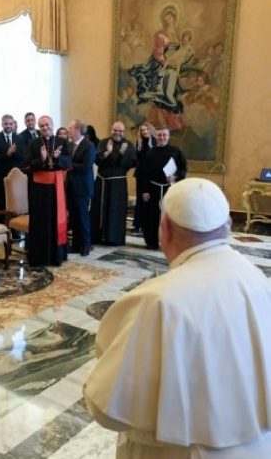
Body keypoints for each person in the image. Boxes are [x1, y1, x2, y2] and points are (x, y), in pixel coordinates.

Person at [84, 178, 271, 458]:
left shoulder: (157, 301)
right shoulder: (257, 279)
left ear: (166, 229)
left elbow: (107, 408)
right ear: (228, 225)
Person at [130, 5, 189, 130]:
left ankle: (171, 123)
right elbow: (158, 52)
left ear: (175, 18)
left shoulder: (178, 35)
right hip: (160, 65)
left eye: (170, 18)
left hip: (174, 67)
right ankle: (162, 123)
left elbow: (181, 52)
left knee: (173, 91)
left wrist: (178, 62)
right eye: (166, 19)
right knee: (163, 92)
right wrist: (167, 62)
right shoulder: (160, 34)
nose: (168, 21)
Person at [25, 115, 71, 266]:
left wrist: (57, 158)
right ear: (39, 128)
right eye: (42, 126)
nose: (45, 128)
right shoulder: (33, 143)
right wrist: (42, 159)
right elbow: (26, 166)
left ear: (52, 125)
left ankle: (57, 256)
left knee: (56, 220)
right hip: (39, 190)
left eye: (47, 125)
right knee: (41, 222)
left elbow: (69, 163)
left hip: (56, 188)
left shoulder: (62, 142)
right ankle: (40, 257)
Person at [140, 125, 187, 250]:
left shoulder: (176, 152)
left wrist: (175, 177)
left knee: (169, 217)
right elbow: (144, 172)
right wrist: (145, 190)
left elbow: (183, 168)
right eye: (159, 135)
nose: (162, 137)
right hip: (153, 189)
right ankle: (152, 242)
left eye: (164, 135)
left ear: (168, 136)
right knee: (152, 217)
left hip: (169, 189)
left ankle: (169, 242)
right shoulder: (150, 152)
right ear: (156, 136)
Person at [90, 121, 136, 246]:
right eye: (115, 130)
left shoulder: (128, 145)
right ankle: (96, 236)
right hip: (102, 182)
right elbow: (96, 159)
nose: (117, 133)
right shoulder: (104, 142)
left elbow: (131, 163)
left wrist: (121, 154)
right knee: (98, 209)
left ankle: (113, 238)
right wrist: (108, 152)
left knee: (115, 210)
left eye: (120, 131)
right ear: (112, 130)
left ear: (123, 132)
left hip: (118, 184)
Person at [66, 120, 95, 256]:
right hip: (71, 186)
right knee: (74, 218)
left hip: (83, 187)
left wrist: (69, 164)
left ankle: (85, 245)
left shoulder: (89, 145)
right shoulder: (70, 145)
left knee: (83, 217)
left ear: (77, 129)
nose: (68, 131)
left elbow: (86, 166)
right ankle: (76, 245)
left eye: (70, 128)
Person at [0, 114, 24, 212]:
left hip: (15, 175)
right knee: (1, 201)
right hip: (1, 175)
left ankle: (14, 221)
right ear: (2, 124)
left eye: (10, 123)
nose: (8, 126)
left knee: (15, 200)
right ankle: (1, 221)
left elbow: (23, 156)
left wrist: (14, 153)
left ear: (13, 124)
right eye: (6, 124)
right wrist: (7, 154)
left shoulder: (19, 138)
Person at [132, 122, 156, 234]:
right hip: (141, 175)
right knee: (139, 199)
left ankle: (147, 225)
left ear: (150, 130)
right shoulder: (139, 142)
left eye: (146, 129)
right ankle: (137, 224)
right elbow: (138, 158)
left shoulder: (155, 141)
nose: (145, 132)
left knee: (149, 200)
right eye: (142, 130)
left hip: (151, 175)